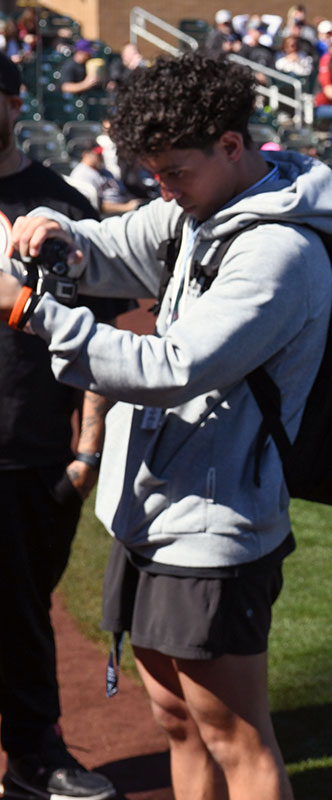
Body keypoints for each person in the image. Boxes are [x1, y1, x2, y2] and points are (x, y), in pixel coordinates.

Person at [1, 52, 332, 800]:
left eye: (175, 172)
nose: (163, 189)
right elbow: (114, 244)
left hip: (217, 519)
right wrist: (56, 228)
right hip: (158, 507)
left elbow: (173, 366)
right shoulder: (201, 207)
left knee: (235, 734)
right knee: (175, 717)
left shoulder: (279, 251)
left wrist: (26, 309)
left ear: (232, 146)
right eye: (152, 174)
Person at [0, 55, 121, 800]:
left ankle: (34, 757)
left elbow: (104, 344)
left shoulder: (60, 203)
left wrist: (86, 455)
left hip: (30, 448)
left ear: (13, 102)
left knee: (20, 613)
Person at [68, 145, 144, 215]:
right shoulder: (81, 175)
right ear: (85, 155)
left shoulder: (105, 171)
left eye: (101, 154)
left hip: (124, 208)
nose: (101, 157)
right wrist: (126, 207)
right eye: (97, 154)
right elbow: (96, 206)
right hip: (107, 216)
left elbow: (122, 191)